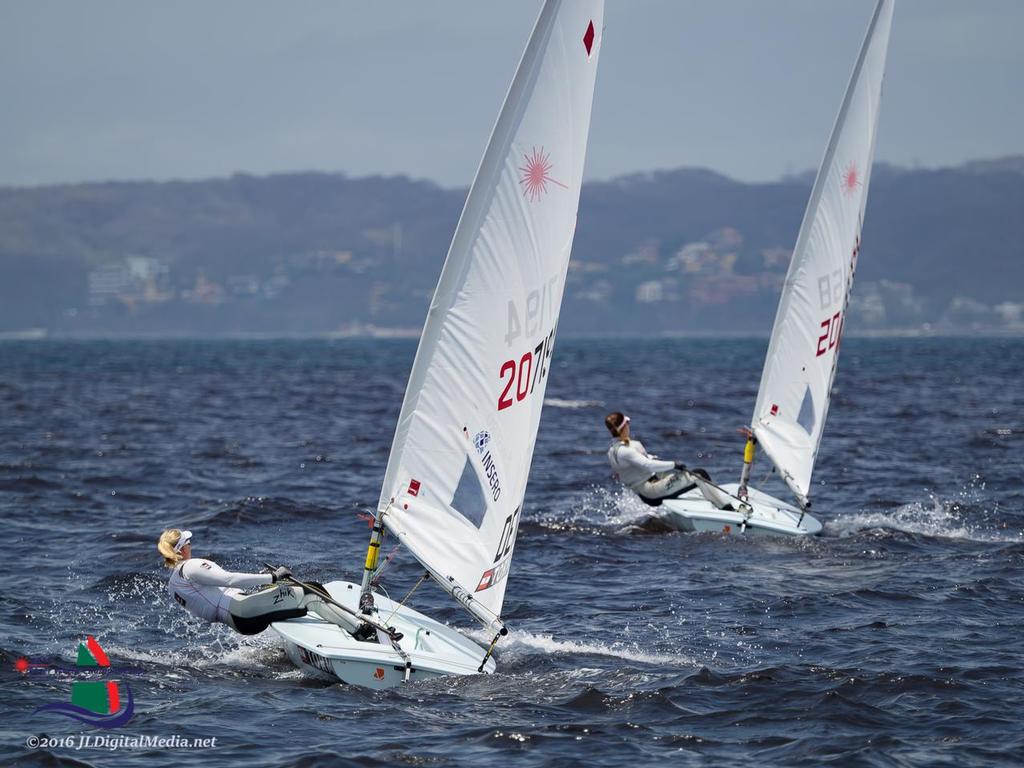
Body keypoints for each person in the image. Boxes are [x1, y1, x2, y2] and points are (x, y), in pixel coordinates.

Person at [157, 528, 374, 639]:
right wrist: (273, 577)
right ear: (183, 548)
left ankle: (334, 626)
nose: (191, 545)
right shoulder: (192, 566)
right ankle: (361, 631)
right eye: (189, 542)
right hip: (242, 611)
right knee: (311, 593)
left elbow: (211, 598)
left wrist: (266, 586)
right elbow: (229, 579)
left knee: (303, 590)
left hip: (238, 620)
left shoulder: (173, 584)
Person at [605, 411, 710, 506]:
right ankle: (724, 506)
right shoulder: (625, 450)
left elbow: (635, 463)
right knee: (700, 474)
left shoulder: (612, 450)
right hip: (652, 492)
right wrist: (674, 464)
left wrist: (651, 457)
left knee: (680, 476)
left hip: (647, 491)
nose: (629, 425)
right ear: (624, 427)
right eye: (627, 423)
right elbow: (647, 465)